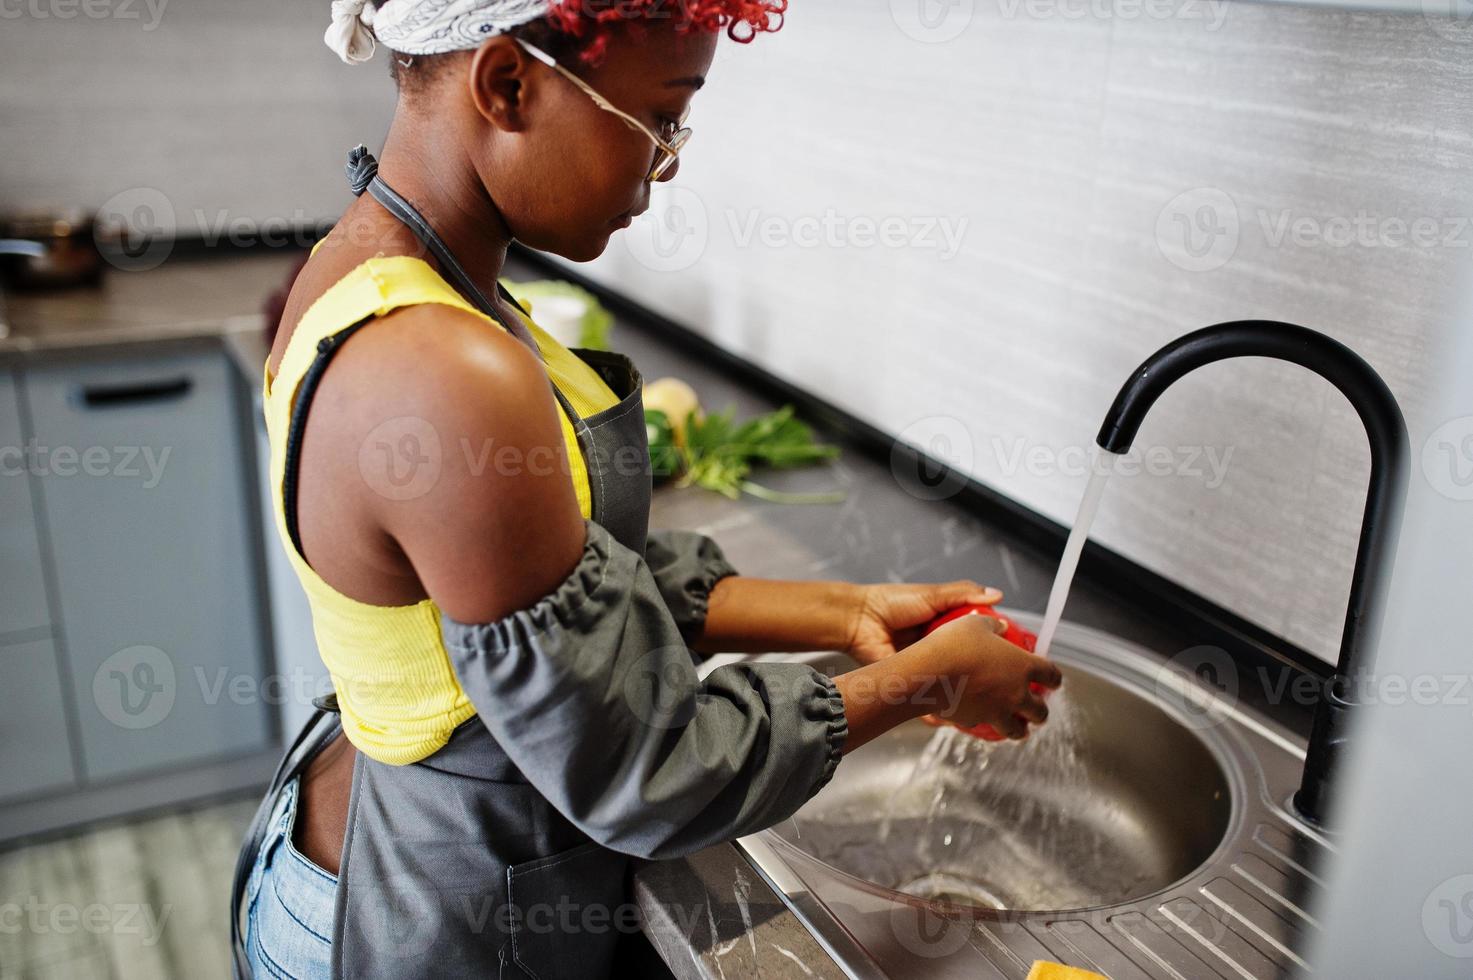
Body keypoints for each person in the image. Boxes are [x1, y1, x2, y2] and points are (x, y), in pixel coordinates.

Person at [231, 1, 1063, 977]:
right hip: (405, 913)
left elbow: (584, 583)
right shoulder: (438, 369)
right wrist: (927, 680)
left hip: (359, 838)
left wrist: (848, 609)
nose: (667, 164)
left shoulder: (394, 274)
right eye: (661, 118)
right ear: (508, 84)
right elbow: (649, 769)